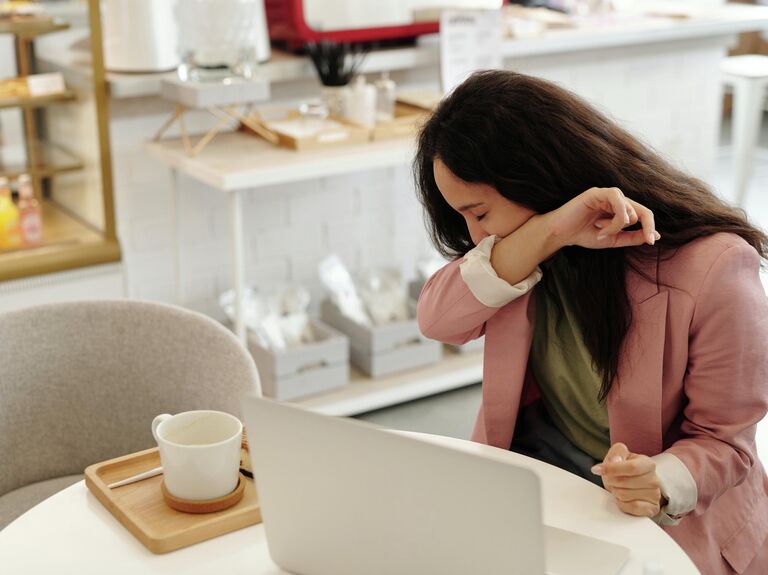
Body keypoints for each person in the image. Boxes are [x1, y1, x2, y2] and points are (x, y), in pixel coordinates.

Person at [414, 70, 768, 575]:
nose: (475, 237)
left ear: (533, 177)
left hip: (664, 513)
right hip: (543, 469)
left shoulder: (714, 267)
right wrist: (551, 230)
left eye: (479, 213)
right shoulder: (521, 257)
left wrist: (660, 478)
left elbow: (728, 444)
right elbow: (438, 320)